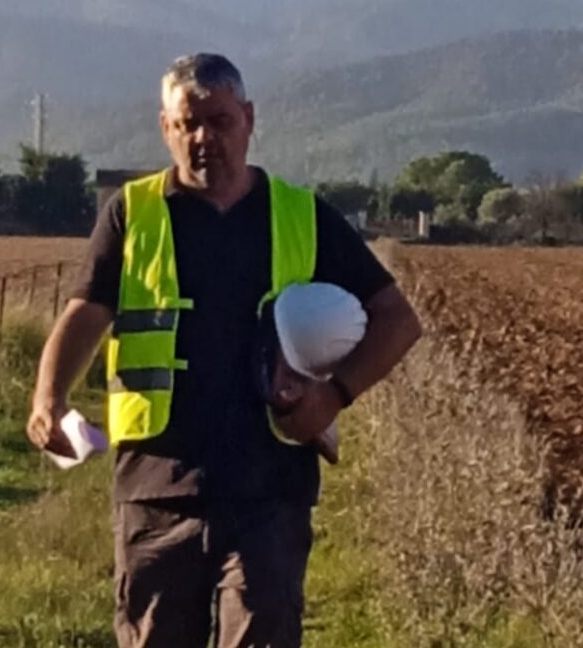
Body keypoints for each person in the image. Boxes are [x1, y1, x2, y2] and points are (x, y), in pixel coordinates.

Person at [26, 53, 422, 648]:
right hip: (156, 486)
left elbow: (397, 319)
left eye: (219, 120)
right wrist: (48, 398)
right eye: (187, 124)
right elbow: (86, 312)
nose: (204, 137)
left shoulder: (302, 215)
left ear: (249, 119)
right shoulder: (131, 214)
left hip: (269, 486)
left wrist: (335, 395)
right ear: (166, 128)